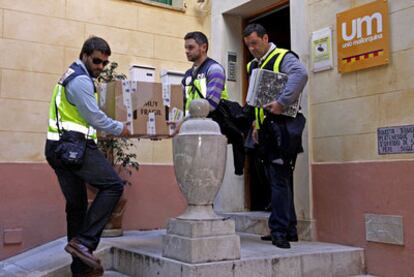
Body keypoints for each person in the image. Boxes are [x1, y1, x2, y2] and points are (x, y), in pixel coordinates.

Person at [45, 36, 130, 276]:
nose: (100, 67)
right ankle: (85, 242)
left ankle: (80, 270)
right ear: (84, 55)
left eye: (104, 63)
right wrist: (121, 129)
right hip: (74, 147)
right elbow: (95, 118)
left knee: (77, 206)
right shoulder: (81, 80)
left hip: (58, 149)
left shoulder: (70, 74)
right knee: (113, 186)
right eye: (97, 61)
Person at [243, 23, 308, 249]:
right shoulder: (253, 65)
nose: (251, 48)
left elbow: (301, 74)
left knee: (279, 179)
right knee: (279, 179)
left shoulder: (283, 56)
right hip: (265, 130)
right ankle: (289, 229)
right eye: (248, 45)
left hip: (283, 128)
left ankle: (279, 231)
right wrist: (254, 123)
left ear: (265, 38)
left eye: (254, 43)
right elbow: (254, 99)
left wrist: (282, 102)